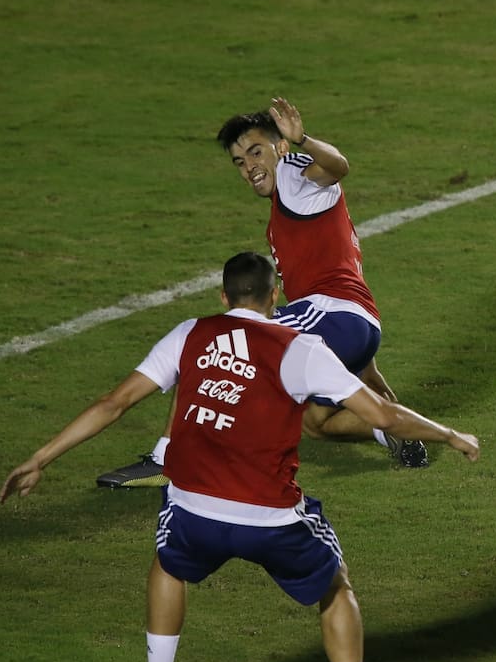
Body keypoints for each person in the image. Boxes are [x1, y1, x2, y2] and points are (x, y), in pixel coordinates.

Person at [2, 252, 480, 662]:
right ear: (275, 297)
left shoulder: (190, 333)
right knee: (336, 591)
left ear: (223, 296)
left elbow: (113, 404)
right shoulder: (300, 347)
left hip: (195, 512)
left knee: (168, 564)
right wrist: (449, 434)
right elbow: (382, 415)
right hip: (271, 519)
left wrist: (40, 458)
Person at [97, 97, 427, 489]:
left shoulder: (293, 175)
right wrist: (365, 368)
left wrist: (302, 139)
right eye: (240, 161)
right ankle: (394, 430)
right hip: (352, 321)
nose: (249, 167)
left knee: (212, 345)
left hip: (333, 314)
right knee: (317, 424)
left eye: (256, 152)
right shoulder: (284, 206)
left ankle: (167, 459)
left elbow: (339, 167)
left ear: (280, 147)